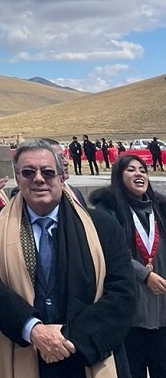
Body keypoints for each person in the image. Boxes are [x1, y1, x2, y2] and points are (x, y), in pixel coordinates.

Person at [0, 139, 135, 378]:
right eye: (28, 172)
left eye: (47, 172)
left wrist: (68, 338)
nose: (38, 178)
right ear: (17, 177)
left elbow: (123, 293)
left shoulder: (103, 226)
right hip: (24, 350)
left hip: (87, 354)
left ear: (61, 177)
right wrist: (33, 330)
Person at [89, 155, 166, 378]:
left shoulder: (160, 210)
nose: (139, 174)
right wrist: (143, 274)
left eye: (143, 170)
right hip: (130, 310)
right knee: (133, 370)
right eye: (131, 170)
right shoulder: (107, 211)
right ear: (118, 176)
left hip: (161, 308)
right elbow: (111, 251)